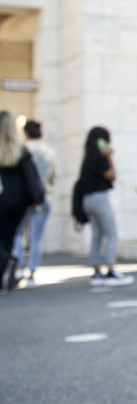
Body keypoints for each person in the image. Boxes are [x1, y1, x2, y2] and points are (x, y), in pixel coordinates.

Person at [79, 125, 134, 287]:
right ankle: (111, 269)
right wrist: (110, 157)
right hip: (99, 198)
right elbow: (111, 176)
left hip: (87, 200)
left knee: (97, 235)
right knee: (111, 233)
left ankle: (96, 270)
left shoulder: (88, 158)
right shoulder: (98, 158)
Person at [13, 119, 57, 288]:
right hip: (43, 197)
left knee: (17, 235)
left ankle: (17, 267)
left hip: (23, 199)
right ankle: (32, 272)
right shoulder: (49, 151)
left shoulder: (21, 149)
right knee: (36, 237)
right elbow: (53, 177)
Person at [0, 112, 36, 291]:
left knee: (3, 237)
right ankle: (7, 269)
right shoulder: (21, 148)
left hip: (2, 198)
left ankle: (4, 269)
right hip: (19, 199)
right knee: (9, 237)